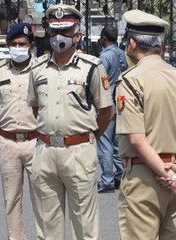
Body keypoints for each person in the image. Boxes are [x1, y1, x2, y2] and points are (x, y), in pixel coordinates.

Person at [116, 10, 176, 239]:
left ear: (132, 43)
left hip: (144, 177)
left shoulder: (131, 80)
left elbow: (137, 139)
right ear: (160, 45)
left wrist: (169, 176)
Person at [27, 4, 114, 239]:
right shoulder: (37, 69)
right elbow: (36, 108)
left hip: (79, 151)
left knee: (85, 227)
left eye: (65, 31)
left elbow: (106, 112)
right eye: (54, 31)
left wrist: (88, 138)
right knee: (47, 226)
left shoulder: (92, 68)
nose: (59, 37)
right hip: (45, 151)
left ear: (78, 34)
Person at [0, 23, 38, 240]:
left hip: (36, 141)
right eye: (14, 44)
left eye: (22, 44)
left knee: (43, 198)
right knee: (11, 199)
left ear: (31, 46)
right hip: (8, 142)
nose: (18, 48)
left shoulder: (42, 69)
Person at [97, 26, 128, 193]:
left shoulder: (105, 56)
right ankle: (120, 175)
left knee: (103, 141)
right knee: (117, 143)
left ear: (103, 38)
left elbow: (99, 81)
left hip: (107, 102)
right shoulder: (121, 53)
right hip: (120, 102)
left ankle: (107, 179)